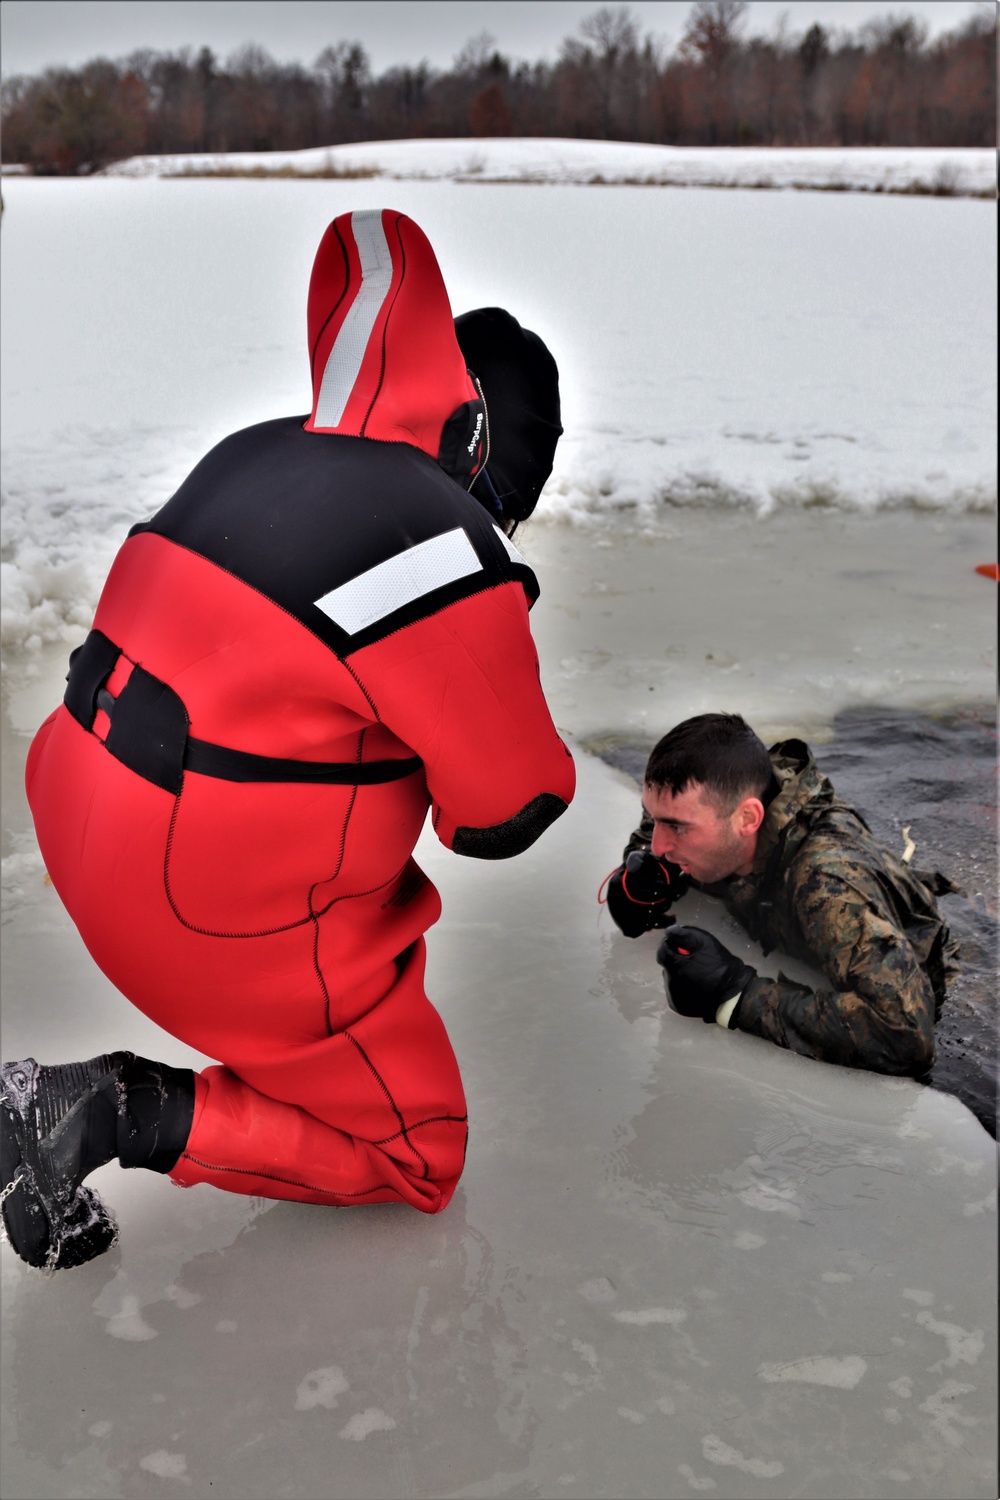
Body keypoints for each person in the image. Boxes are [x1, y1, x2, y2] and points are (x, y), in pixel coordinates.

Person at [1, 208, 575, 1273]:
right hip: (188, 899)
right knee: (419, 1154)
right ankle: (109, 1109)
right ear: (490, 449)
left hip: (73, 811)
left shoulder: (258, 447)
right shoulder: (447, 545)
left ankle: (260, 1054)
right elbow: (503, 812)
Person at [605, 712, 958, 1074]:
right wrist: (642, 878)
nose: (660, 843)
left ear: (747, 819)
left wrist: (737, 996)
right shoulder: (719, 801)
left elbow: (907, 1037)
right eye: (655, 818)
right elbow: (654, 832)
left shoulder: (827, 886)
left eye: (677, 828)